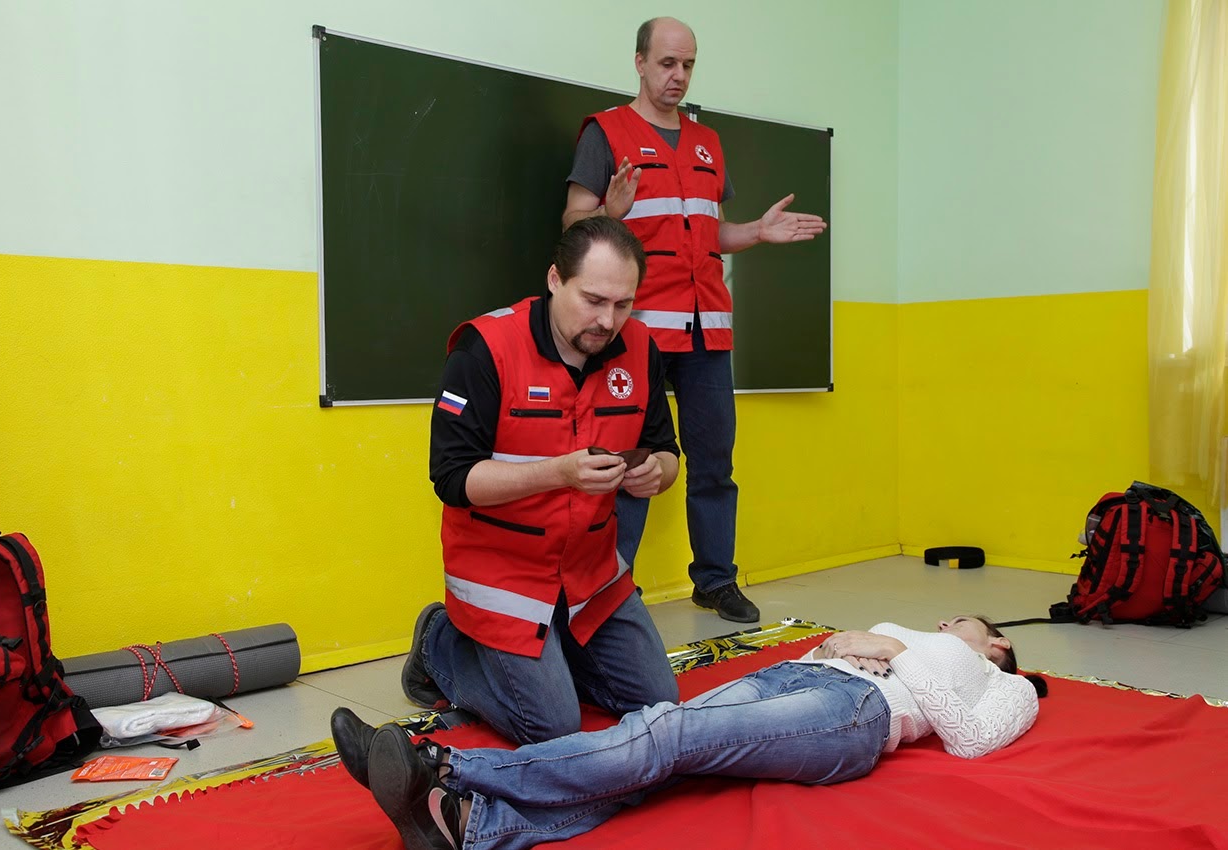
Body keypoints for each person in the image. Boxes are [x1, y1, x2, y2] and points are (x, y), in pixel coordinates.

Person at [332, 615, 1048, 850]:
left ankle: (446, 768)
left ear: (998, 645)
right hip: (796, 677)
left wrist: (893, 650)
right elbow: (839, 647)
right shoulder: (919, 636)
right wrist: (851, 643)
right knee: (659, 759)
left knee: (662, 734)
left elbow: (970, 737)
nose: (946, 622)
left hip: (856, 714)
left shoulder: (1007, 685)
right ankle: (471, 828)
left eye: (963, 623)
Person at [562, 18, 829, 624]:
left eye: (687, 65)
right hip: (636, 331)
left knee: (714, 461)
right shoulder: (606, 133)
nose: (678, 76)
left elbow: (711, 233)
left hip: (708, 327)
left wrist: (756, 232)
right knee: (629, 460)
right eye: (666, 64)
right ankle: (611, 590)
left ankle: (715, 581)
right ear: (639, 62)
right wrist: (610, 210)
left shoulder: (708, 142)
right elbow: (573, 225)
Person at [401, 216, 683, 745]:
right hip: (502, 574)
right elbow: (452, 478)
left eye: (624, 304)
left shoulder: (641, 348)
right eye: (593, 300)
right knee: (552, 726)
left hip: (590, 573)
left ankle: (556, 650)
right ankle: (439, 642)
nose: (608, 320)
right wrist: (559, 473)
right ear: (555, 279)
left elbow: (666, 451)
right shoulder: (484, 347)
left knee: (660, 706)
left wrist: (657, 473)